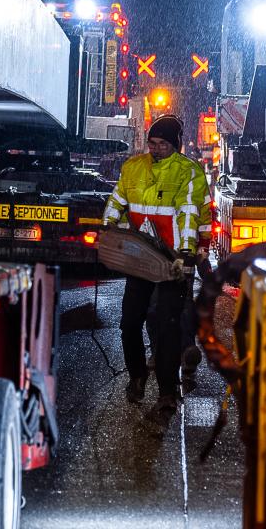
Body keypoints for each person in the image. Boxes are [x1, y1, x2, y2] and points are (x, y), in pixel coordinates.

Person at [103, 114, 209, 410]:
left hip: (172, 262)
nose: (156, 148)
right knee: (129, 323)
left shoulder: (189, 172)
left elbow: (190, 214)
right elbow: (117, 201)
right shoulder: (133, 168)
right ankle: (137, 377)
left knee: (168, 327)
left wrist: (187, 255)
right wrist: (108, 229)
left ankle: (166, 392)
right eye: (152, 142)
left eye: (162, 143)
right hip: (141, 258)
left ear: (175, 144)